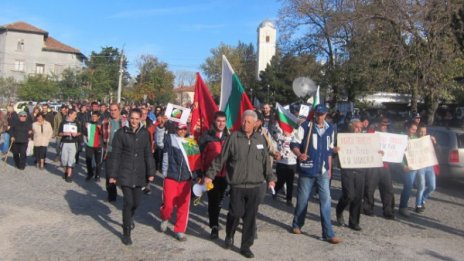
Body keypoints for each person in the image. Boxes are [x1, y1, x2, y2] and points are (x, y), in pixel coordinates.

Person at [205, 110, 276, 259]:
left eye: (249, 122)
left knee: (250, 218)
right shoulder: (233, 138)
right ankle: (229, 234)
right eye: (243, 121)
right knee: (235, 213)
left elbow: (266, 163)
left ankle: (246, 246)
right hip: (237, 185)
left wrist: (271, 178)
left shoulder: (260, 139)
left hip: (255, 186)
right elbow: (221, 158)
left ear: (255, 123)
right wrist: (210, 175)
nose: (245, 124)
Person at [290, 104, 341, 244]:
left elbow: (329, 150)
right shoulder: (306, 126)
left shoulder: (330, 128)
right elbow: (293, 143)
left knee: (326, 201)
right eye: (318, 114)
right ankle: (297, 224)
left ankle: (328, 233)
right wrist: (299, 154)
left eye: (323, 114)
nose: (320, 117)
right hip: (307, 169)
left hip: (323, 170)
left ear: (326, 114)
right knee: (303, 200)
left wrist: (330, 169)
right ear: (314, 114)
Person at [108, 108, 155, 245]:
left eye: (136, 118)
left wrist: (151, 172)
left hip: (139, 172)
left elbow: (148, 154)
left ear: (141, 119)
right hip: (125, 172)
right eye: (132, 118)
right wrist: (113, 175)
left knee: (136, 202)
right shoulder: (121, 133)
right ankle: (126, 232)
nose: (134, 121)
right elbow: (115, 156)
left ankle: (130, 217)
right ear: (128, 118)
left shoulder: (145, 134)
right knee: (128, 202)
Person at [159, 123, 197, 241]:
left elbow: (195, 162)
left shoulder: (190, 141)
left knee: (183, 206)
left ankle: (180, 230)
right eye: (179, 128)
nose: (181, 131)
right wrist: (160, 127)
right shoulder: (170, 139)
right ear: (175, 129)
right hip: (171, 176)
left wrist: (196, 177)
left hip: (186, 179)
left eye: (184, 129)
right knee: (168, 204)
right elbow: (159, 142)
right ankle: (165, 217)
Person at [198, 111, 229, 240]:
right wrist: (200, 174)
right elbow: (199, 157)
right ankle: (214, 226)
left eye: (223, 121)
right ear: (214, 122)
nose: (221, 123)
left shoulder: (230, 137)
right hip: (210, 175)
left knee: (221, 200)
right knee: (213, 200)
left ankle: (215, 218)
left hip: (225, 175)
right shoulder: (206, 137)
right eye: (218, 121)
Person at [335, 119, 368, 231]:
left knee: (358, 197)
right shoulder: (344, 138)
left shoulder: (365, 139)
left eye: (360, 128)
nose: (359, 130)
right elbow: (335, 150)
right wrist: (336, 150)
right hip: (347, 170)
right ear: (351, 127)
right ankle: (339, 210)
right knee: (349, 195)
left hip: (360, 170)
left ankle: (354, 222)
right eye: (356, 127)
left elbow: (371, 150)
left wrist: (378, 153)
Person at [362, 117, 395, 219]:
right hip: (373, 165)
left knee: (388, 189)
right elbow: (365, 144)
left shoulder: (391, 136)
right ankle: (368, 208)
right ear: (378, 124)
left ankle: (388, 211)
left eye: (386, 125)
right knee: (369, 188)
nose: (385, 126)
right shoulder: (372, 132)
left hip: (385, 165)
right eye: (383, 124)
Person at [102, 103, 124, 202]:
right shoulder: (105, 122)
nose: (113, 112)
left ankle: (126, 194)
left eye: (115, 110)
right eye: (111, 110)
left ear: (119, 110)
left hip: (122, 152)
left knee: (122, 174)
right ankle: (111, 195)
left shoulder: (125, 122)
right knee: (109, 174)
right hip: (110, 151)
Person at [399, 121, 420, 217]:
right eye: (412, 129)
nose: (413, 131)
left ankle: (405, 206)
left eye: (415, 130)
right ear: (407, 128)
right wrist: (403, 165)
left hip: (414, 166)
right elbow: (397, 153)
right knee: (408, 186)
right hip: (406, 166)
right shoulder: (401, 137)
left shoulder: (415, 138)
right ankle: (403, 207)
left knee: (409, 186)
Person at [415, 123, 437, 213]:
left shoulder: (429, 139)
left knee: (432, 186)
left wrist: (435, 143)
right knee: (421, 186)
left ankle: (423, 199)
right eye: (420, 131)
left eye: (424, 131)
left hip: (429, 165)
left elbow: (436, 151)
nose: (422, 133)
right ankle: (418, 205)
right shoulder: (414, 140)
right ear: (418, 131)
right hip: (420, 166)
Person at [273, 127, 297, 206]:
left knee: (290, 182)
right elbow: (274, 145)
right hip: (281, 162)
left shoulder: (295, 136)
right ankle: (275, 190)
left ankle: (289, 200)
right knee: (281, 180)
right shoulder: (279, 136)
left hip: (291, 162)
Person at [58, 109, 81, 182]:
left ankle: (69, 175)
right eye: (74, 114)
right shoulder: (63, 122)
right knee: (64, 159)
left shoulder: (77, 122)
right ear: (70, 114)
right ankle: (66, 171)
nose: (76, 116)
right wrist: (64, 134)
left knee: (71, 159)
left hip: (73, 143)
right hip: (65, 142)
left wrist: (76, 134)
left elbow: (80, 132)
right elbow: (59, 133)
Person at [84, 112, 103, 181]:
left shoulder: (102, 124)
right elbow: (85, 134)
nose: (93, 118)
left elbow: (105, 134)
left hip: (98, 144)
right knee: (88, 160)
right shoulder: (89, 123)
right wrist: (86, 128)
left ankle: (97, 175)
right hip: (90, 144)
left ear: (98, 117)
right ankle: (90, 173)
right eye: (92, 116)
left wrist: (100, 128)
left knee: (98, 161)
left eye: (95, 116)